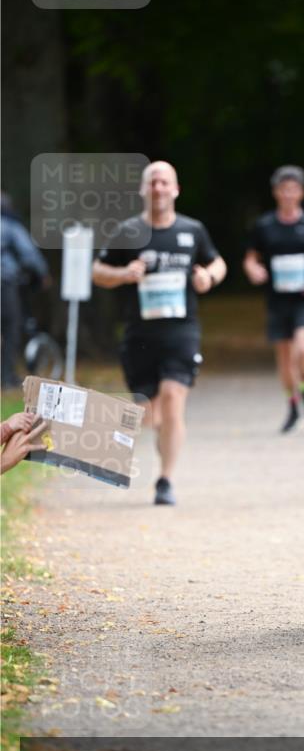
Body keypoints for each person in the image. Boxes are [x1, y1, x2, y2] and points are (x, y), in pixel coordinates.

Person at [92, 161, 227, 506]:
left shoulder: (192, 230)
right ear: (143, 190)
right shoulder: (127, 231)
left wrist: (207, 277)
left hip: (181, 331)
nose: (158, 188)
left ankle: (165, 480)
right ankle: (164, 435)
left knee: (173, 399)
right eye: (152, 182)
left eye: (164, 182)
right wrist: (124, 274)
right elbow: (97, 271)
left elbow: (218, 262)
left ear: (176, 189)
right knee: (150, 414)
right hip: (139, 335)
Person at [243, 166, 304, 432]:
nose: (288, 194)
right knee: (286, 359)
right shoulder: (265, 225)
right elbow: (251, 258)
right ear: (276, 193)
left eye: (293, 189)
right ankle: (293, 405)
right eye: (283, 189)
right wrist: (254, 269)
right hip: (277, 300)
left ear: (300, 192)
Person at [1, 195, 49, 388]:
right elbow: (29, 254)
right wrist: (43, 275)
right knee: (10, 329)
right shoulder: (9, 224)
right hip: (4, 284)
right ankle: (6, 377)